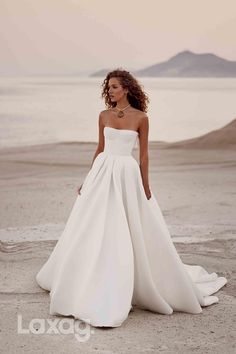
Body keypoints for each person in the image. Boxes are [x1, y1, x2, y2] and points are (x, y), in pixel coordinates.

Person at [36, 69, 227, 328]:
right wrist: (88, 178)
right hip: (103, 172)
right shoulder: (103, 115)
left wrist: (145, 185)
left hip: (127, 175)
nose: (110, 91)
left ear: (126, 88)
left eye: (114, 87)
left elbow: (144, 155)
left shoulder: (141, 118)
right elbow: (100, 149)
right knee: (94, 224)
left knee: (127, 225)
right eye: (108, 87)